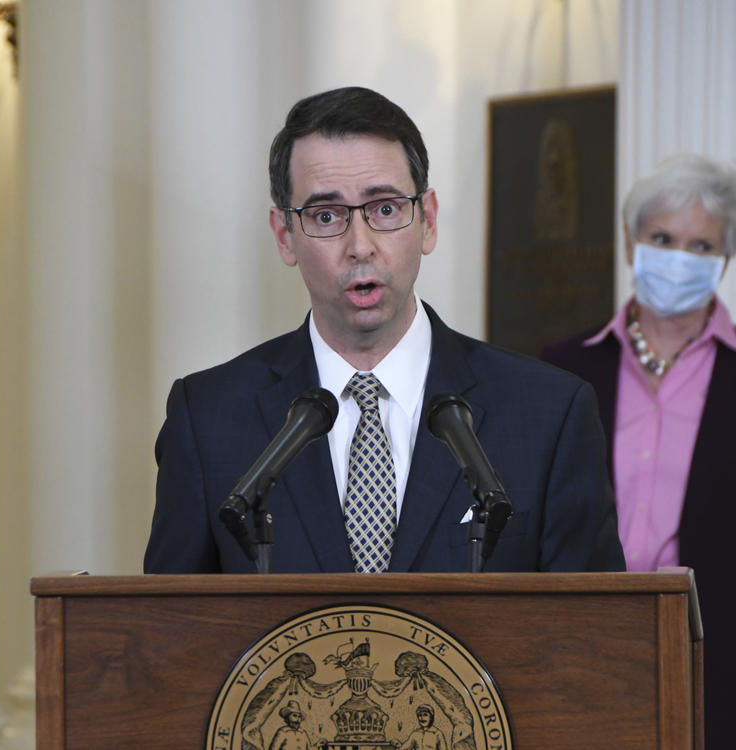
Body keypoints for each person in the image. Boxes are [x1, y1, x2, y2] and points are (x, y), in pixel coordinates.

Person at [145, 86, 623, 576]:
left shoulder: (549, 416)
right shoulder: (207, 418)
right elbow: (169, 634)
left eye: (386, 209)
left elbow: (596, 637)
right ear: (284, 236)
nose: (360, 245)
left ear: (428, 220)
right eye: (326, 216)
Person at [541, 153, 736, 750]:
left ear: (725, 260)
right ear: (630, 245)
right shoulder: (559, 370)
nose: (680, 258)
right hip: (580, 644)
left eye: (701, 246)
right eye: (662, 238)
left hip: (716, 654)